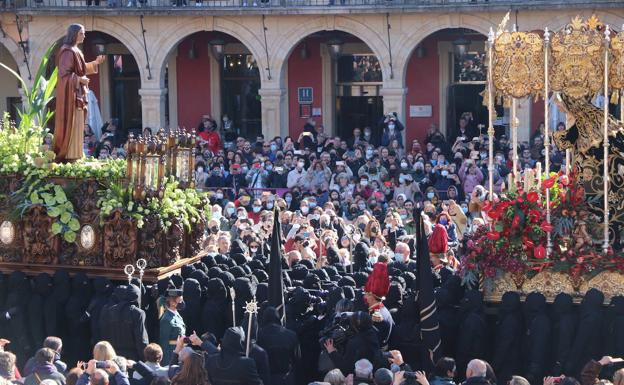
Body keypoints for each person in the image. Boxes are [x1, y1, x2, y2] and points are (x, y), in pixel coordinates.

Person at [53, 24, 106, 162]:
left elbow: (80, 69)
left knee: (79, 125)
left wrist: (95, 63)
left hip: (78, 94)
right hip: (71, 96)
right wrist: (79, 79)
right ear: (74, 34)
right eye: (82, 33)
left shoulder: (76, 50)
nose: (84, 35)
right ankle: (70, 155)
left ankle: (76, 154)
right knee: (73, 124)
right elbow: (64, 75)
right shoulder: (67, 51)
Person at [257, 306, 300, 385]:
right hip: (286, 378)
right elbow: (297, 358)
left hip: (266, 379)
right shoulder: (291, 335)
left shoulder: (258, 335)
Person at [159, 288, 186, 365]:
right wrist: (167, 363)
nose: (181, 303)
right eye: (179, 301)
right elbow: (164, 343)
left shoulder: (176, 314)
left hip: (180, 351)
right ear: (172, 302)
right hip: (172, 353)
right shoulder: (166, 319)